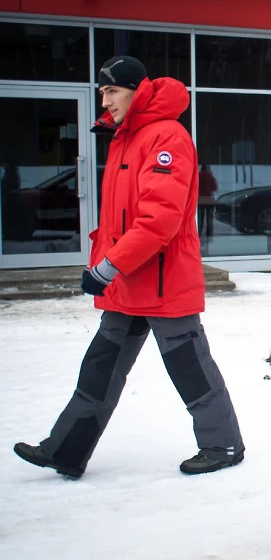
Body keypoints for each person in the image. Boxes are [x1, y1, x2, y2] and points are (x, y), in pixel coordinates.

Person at [13, 56, 244, 478]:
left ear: (138, 91)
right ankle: (66, 450)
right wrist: (110, 265)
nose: (105, 100)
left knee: (190, 368)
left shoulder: (166, 137)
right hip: (128, 281)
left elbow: (159, 220)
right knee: (100, 368)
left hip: (163, 281)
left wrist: (107, 267)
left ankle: (223, 446)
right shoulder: (126, 136)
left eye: (113, 91)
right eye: (102, 92)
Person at [197, 164, 218, 248]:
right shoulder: (211, 177)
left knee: (200, 218)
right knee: (209, 218)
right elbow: (215, 188)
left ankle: (199, 233)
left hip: (200, 200)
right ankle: (209, 234)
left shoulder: (198, 177)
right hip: (209, 200)